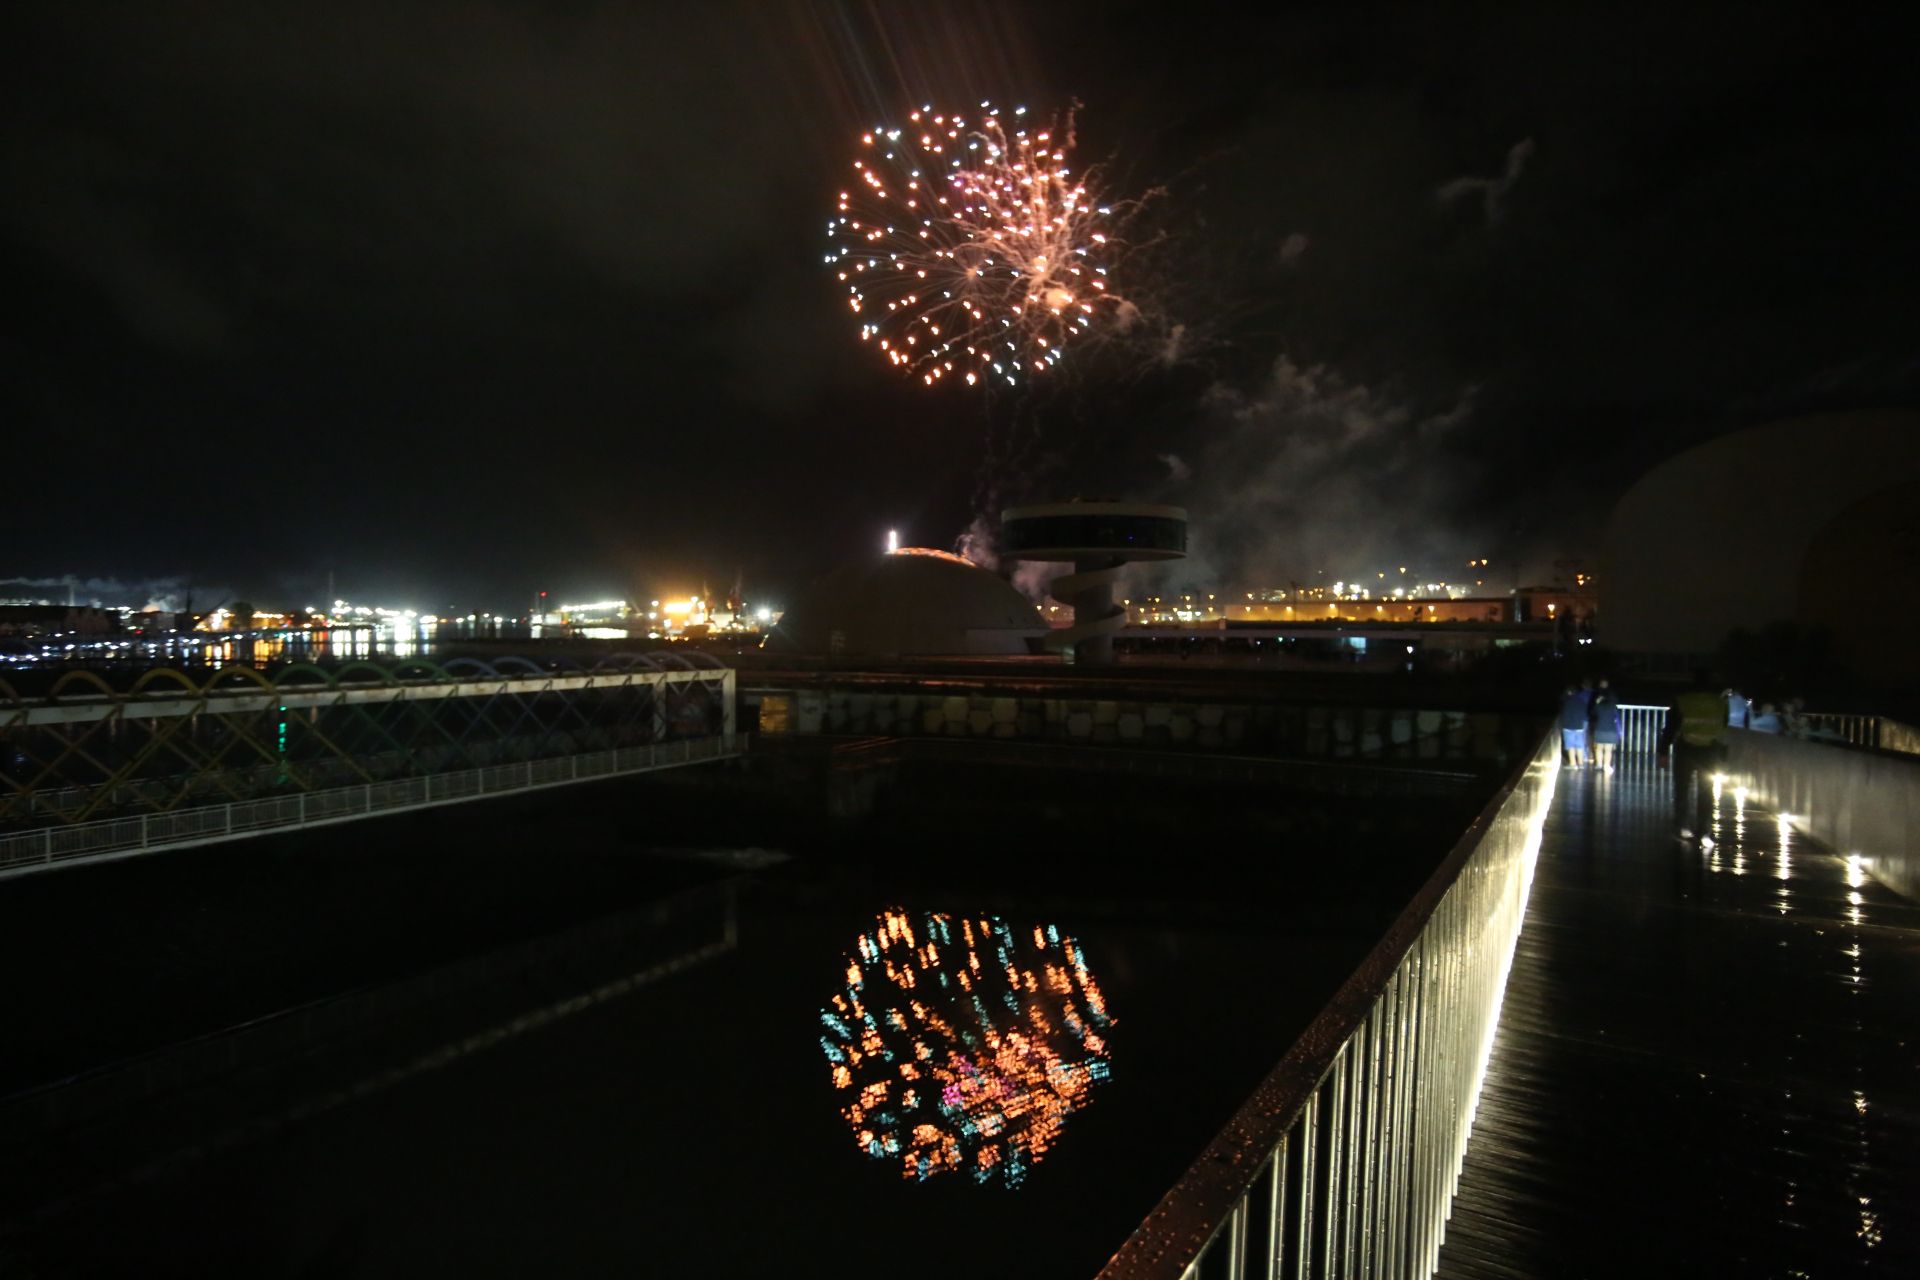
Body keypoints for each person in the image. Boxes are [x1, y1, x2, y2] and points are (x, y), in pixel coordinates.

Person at [1660, 672, 1729, 842]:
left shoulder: (1683, 700)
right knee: (1706, 791)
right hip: (1710, 751)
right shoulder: (1720, 703)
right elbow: (1723, 725)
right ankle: (1704, 829)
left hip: (1686, 749)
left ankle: (1682, 827)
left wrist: (1662, 751)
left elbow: (1670, 727)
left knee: (1682, 790)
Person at [1589, 677, 1622, 773]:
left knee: (1599, 748)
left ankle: (1599, 764)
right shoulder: (1613, 706)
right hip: (1611, 730)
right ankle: (1606, 765)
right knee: (1608, 749)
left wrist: (1596, 702)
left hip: (1600, 729)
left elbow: (1592, 713)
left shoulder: (1598, 706)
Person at [1560, 682, 1592, 768]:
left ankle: (1573, 764)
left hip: (1568, 726)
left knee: (1570, 745)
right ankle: (1581, 764)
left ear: (1568, 692)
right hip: (1579, 726)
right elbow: (1583, 713)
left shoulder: (1566, 701)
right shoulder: (1581, 701)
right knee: (1579, 745)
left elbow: (1563, 714)